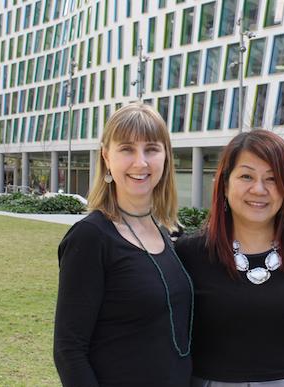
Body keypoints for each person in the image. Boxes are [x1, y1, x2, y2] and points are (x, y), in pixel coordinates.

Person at [176, 130, 284, 387]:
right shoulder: (189, 253)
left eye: (272, 179)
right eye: (246, 176)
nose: (259, 189)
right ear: (225, 184)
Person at [53, 103, 193, 387]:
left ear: (165, 157)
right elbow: (69, 351)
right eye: (127, 149)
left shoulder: (171, 234)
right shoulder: (91, 238)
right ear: (106, 157)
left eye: (151, 149)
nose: (140, 162)